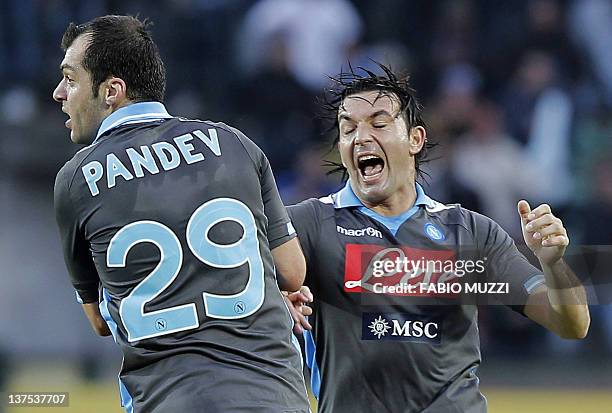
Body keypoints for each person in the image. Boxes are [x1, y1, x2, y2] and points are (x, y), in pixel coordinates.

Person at [286, 63, 590, 412]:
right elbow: (243, 290)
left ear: (415, 139)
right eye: (348, 128)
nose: (361, 137)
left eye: (379, 124)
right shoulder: (307, 224)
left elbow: (571, 323)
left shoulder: (470, 231)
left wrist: (553, 265)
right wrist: (276, 300)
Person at [53, 15, 310, 413]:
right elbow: (292, 272)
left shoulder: (76, 180)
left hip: (168, 400)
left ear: (111, 91)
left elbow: (101, 321)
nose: (58, 93)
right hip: (272, 397)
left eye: (70, 79)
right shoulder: (234, 143)